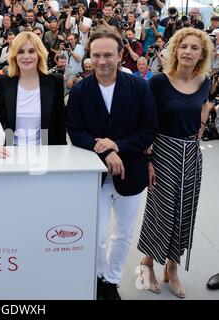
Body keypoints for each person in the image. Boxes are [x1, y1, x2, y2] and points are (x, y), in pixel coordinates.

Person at [66, 27, 158, 300]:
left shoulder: (139, 87)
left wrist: (119, 146)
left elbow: (149, 127)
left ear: (120, 55)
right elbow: (76, 130)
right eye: (96, 55)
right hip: (95, 175)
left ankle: (111, 281)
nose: (102, 60)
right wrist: (107, 152)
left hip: (132, 173)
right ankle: (95, 277)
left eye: (108, 54)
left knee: (122, 234)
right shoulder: (81, 90)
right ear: (89, 57)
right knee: (96, 235)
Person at [137, 27, 214, 299]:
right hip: (162, 152)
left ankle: (172, 267)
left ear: (202, 54)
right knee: (161, 211)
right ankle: (147, 262)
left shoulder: (204, 80)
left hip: (191, 154)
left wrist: (201, 127)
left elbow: (205, 104)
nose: (188, 52)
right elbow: (146, 121)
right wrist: (148, 159)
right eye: (184, 46)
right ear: (175, 49)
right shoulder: (158, 81)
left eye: (194, 48)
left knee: (185, 214)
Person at [0, 31, 67, 146]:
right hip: (11, 153)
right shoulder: (3, 82)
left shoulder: (55, 82)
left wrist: (61, 157)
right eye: (20, 52)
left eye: (32, 51)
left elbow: (60, 123)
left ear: (39, 54)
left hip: (45, 153)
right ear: (14, 56)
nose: (26, 56)